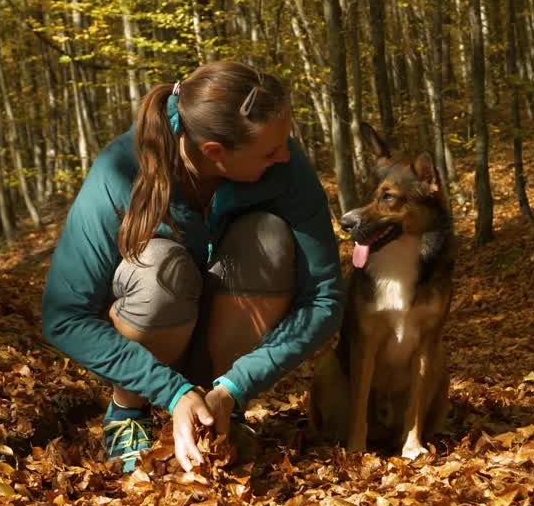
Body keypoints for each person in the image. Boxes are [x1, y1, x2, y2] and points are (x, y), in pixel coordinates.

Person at [41, 61, 343, 473]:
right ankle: (129, 416)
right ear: (214, 153)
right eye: (270, 151)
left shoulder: (286, 171)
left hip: (231, 353)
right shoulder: (119, 171)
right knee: (159, 266)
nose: (286, 156)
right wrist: (171, 390)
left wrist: (237, 386)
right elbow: (64, 315)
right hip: (148, 352)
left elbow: (323, 297)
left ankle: (221, 413)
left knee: (268, 236)